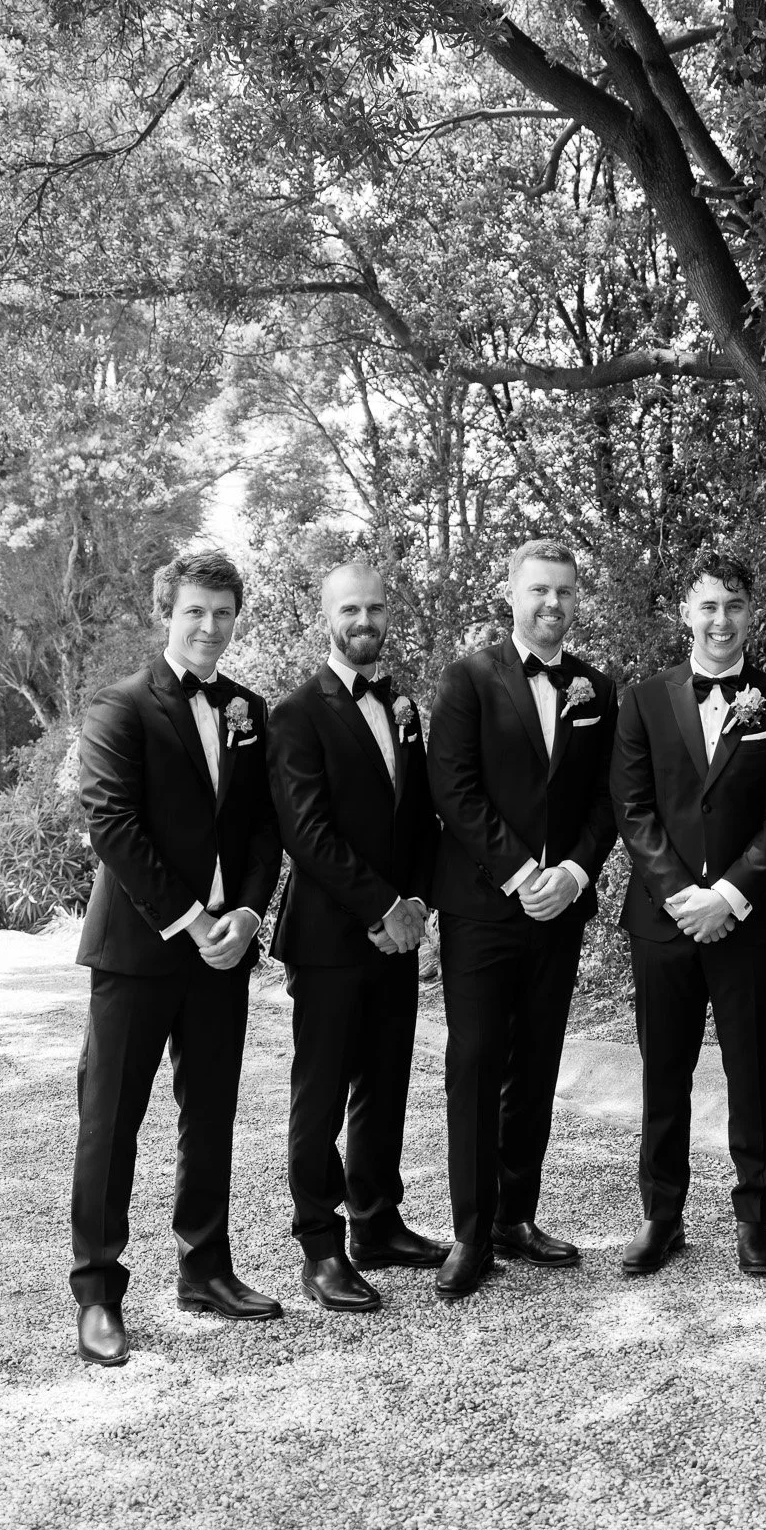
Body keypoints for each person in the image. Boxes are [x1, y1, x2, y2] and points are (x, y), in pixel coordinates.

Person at [71, 549, 282, 1366]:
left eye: (223, 613)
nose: (210, 626)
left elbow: (264, 828)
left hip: (224, 951)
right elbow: (112, 827)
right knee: (110, 1122)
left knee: (211, 1114)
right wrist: (196, 921)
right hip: (140, 951)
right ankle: (96, 1293)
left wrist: (249, 914)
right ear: (168, 610)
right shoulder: (118, 708)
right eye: (196, 611)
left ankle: (207, 1269)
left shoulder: (248, 710)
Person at [610, 544, 766, 1279]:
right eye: (707, 605)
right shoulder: (641, 700)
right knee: (663, 1072)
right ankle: (660, 1218)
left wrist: (727, 894)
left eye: (733, 605)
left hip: (748, 919)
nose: (720, 619)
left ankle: (754, 1220)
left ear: (751, 613)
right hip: (662, 921)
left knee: (752, 1071)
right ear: (684, 613)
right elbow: (633, 811)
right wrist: (680, 895)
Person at [427, 539, 618, 1301]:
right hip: (482, 904)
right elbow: (453, 787)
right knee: (475, 1064)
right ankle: (471, 1234)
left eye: (565, 593)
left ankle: (517, 1216)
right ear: (510, 595)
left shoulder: (595, 688)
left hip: (558, 908)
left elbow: (608, 797)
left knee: (536, 1061)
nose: (552, 605)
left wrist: (571, 872)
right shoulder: (468, 679)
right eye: (539, 591)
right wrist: (519, 872)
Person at [266, 561, 445, 1316]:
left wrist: (418, 906)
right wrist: (380, 909)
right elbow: (306, 833)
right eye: (350, 608)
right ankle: (320, 1245)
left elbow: (423, 817)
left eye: (374, 607)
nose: (364, 619)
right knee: (322, 1094)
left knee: (384, 1084)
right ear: (326, 618)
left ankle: (377, 1222)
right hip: (332, 937)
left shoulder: (402, 704)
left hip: (395, 935)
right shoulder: (296, 714)